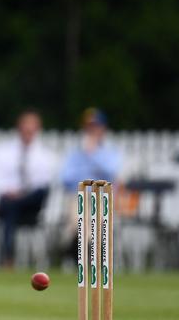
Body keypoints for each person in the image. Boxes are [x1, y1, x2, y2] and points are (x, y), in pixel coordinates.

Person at [0, 109, 55, 268]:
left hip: (32, 203)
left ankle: (7, 259)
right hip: (10, 201)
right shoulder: (3, 152)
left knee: (14, 204)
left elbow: (44, 184)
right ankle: (8, 260)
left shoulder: (46, 155)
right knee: (10, 208)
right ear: (19, 128)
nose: (28, 132)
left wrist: (20, 194)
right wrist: (11, 192)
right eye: (26, 128)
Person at [59, 108, 122, 266]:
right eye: (89, 127)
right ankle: (87, 251)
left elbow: (112, 172)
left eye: (95, 126)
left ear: (103, 128)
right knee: (79, 211)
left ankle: (84, 251)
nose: (92, 131)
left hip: (102, 196)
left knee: (96, 213)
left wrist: (93, 154)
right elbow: (66, 178)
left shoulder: (110, 152)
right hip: (79, 195)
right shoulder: (75, 154)